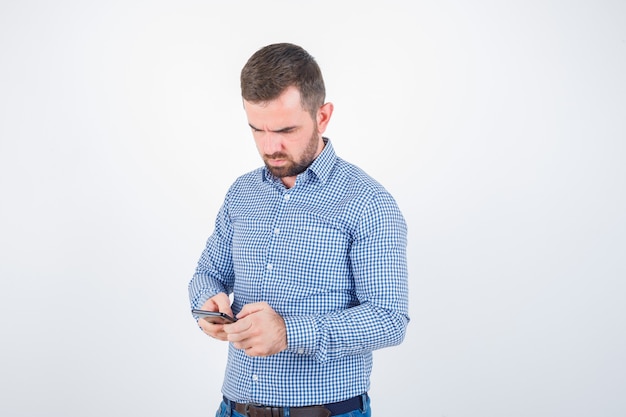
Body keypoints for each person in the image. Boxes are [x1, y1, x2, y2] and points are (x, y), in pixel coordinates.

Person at [188, 42, 409, 417]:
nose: (270, 146)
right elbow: (208, 273)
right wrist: (208, 305)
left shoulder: (368, 202)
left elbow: (390, 319)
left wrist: (290, 333)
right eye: (257, 129)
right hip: (234, 408)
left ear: (322, 116)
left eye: (286, 130)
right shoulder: (242, 193)